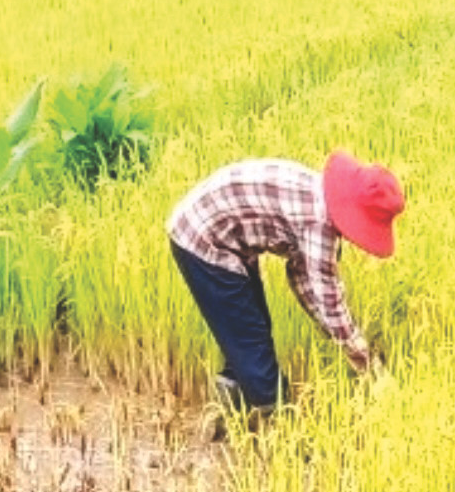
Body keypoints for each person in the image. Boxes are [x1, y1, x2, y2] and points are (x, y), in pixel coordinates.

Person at [167, 151, 405, 415]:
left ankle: (228, 418)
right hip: (201, 238)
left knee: (249, 329)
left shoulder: (319, 196)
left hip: (222, 235)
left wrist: (331, 332)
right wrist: (370, 368)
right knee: (252, 343)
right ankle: (279, 428)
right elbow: (330, 303)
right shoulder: (319, 224)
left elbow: (301, 278)